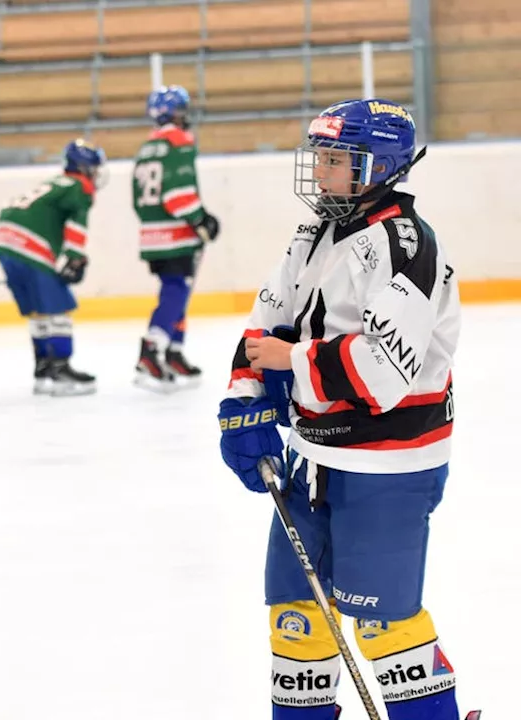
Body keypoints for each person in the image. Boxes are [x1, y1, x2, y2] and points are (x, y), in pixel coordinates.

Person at [218, 99, 465, 720]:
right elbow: (265, 324)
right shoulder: (315, 233)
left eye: (336, 159)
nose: (321, 171)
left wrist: (288, 360)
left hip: (387, 466)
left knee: (384, 626)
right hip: (311, 457)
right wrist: (244, 401)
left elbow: (382, 373)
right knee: (298, 619)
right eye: (321, 157)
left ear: (377, 166)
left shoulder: (407, 248)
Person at [0, 138, 105, 395]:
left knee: (37, 310)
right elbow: (77, 224)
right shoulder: (79, 186)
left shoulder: (54, 182)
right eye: (94, 168)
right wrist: (75, 257)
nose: (96, 174)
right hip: (30, 244)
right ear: (85, 167)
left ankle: (43, 369)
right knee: (59, 307)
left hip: (5, 242)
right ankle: (60, 369)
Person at [131, 85, 220, 391]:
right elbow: (177, 193)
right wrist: (201, 219)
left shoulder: (146, 147)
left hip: (152, 233)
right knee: (176, 289)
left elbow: (138, 198)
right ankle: (152, 349)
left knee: (177, 290)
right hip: (176, 233)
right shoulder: (178, 140)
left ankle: (172, 349)